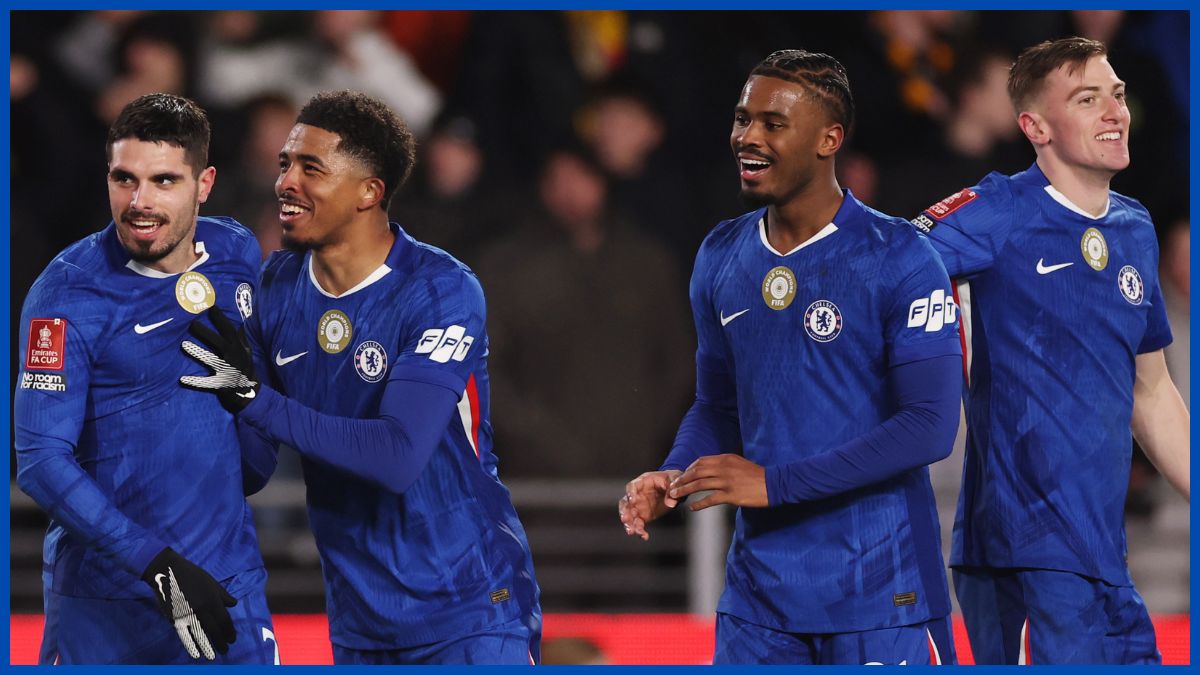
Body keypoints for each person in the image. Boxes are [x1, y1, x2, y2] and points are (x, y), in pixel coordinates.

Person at [618, 49, 963, 665]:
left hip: (880, 595)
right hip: (760, 602)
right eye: (742, 119)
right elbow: (718, 405)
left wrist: (773, 485)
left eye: (772, 124)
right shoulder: (721, 254)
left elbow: (929, 427)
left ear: (830, 138)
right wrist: (675, 474)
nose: (747, 137)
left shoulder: (901, 256)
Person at [179, 90, 541, 665]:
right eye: (284, 164)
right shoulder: (276, 288)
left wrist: (253, 397)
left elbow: (397, 455)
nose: (286, 183)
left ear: (369, 192)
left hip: (470, 612)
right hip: (358, 623)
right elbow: (255, 463)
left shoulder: (440, 289)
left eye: (310, 168)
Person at [910, 37, 1189, 665]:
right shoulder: (998, 210)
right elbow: (882, 262)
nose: (1114, 112)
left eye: (1115, 95)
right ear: (1034, 126)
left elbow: (1151, 391)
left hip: (1102, 561)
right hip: (1021, 558)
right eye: (1087, 100)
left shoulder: (1135, 228)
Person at [14, 93, 277, 665]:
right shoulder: (64, 296)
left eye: (163, 180)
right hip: (106, 606)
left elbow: (253, 468)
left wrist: (251, 399)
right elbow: (39, 458)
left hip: (227, 586)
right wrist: (152, 562)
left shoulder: (235, 253)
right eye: (124, 179)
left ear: (203, 183)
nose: (139, 201)